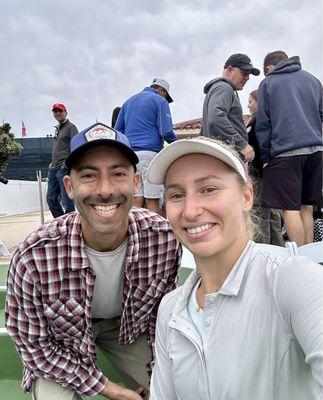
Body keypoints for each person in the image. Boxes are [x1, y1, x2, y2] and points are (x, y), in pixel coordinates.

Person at [5, 122, 182, 400]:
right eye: (88, 175)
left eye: (118, 173)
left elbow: (162, 318)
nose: (105, 189)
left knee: (174, 387)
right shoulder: (34, 256)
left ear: (136, 183)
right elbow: (34, 346)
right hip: (61, 342)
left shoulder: (163, 239)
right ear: (70, 186)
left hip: (128, 328)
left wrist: (158, 371)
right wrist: (108, 389)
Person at [147, 137, 323, 400]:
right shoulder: (170, 309)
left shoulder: (291, 278)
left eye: (208, 189)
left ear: (246, 196)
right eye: (177, 195)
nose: (191, 210)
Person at [256, 50, 323, 246]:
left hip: (286, 152)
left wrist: (267, 157)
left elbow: (263, 123)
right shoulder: (313, 80)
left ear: (269, 68)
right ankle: (312, 259)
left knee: (290, 210)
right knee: (307, 208)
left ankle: (300, 260)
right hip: (316, 150)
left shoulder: (268, 83)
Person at [115, 78, 178, 213]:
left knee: (137, 198)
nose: (166, 99)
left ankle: (136, 231)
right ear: (162, 90)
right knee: (153, 198)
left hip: (131, 156)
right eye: (166, 96)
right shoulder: (160, 101)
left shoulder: (128, 102)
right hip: (150, 155)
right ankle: (156, 232)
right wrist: (181, 146)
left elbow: (117, 132)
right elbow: (166, 131)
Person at [201, 53, 260, 162]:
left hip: (218, 156)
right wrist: (242, 144)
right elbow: (215, 118)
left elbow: (206, 127)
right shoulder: (225, 88)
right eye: (244, 73)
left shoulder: (219, 88)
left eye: (249, 74)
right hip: (225, 156)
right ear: (230, 70)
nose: (247, 78)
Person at [246, 89, 284, 246]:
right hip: (265, 172)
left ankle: (263, 249)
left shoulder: (260, 120)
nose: (248, 105)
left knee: (260, 211)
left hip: (262, 173)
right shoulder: (257, 120)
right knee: (271, 213)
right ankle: (278, 247)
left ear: (259, 102)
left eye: (251, 101)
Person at [46, 103, 78, 218]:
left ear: (66, 112)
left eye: (60, 111)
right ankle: (60, 223)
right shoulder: (58, 129)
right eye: (55, 111)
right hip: (53, 169)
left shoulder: (71, 127)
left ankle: (70, 227)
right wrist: (52, 164)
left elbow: (75, 147)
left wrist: (65, 165)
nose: (58, 113)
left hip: (63, 170)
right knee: (51, 199)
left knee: (67, 202)